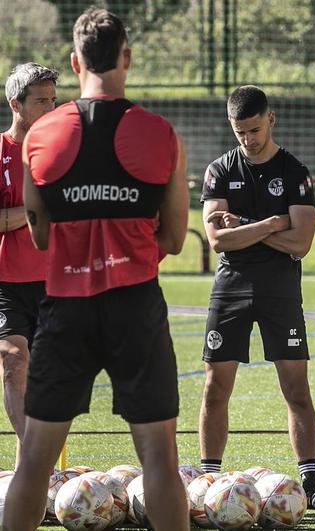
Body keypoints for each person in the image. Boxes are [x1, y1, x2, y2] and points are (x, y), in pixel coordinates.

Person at [3, 8, 190, 531]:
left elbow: (40, 234)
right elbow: (174, 238)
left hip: (65, 306)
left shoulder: (39, 138)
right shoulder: (161, 134)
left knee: (35, 460)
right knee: (159, 459)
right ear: (127, 59)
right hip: (136, 306)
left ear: (74, 61)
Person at [198, 84, 315, 510]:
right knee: (214, 387)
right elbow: (218, 239)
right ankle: (208, 478)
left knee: (296, 387)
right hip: (231, 287)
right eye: (240, 131)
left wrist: (246, 225)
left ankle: (311, 483)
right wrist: (270, 223)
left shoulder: (295, 171)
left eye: (255, 130)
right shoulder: (219, 170)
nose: (248, 139)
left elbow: (302, 243)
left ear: (271, 119)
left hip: (280, 289)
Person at [0, 62, 57, 467]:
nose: (51, 109)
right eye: (41, 101)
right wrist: (41, 206)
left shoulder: (61, 153)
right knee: (12, 359)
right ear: (15, 103)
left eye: (54, 100)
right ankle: (37, 461)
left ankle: (32, 475)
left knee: (52, 380)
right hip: (5, 283)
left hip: (55, 281)